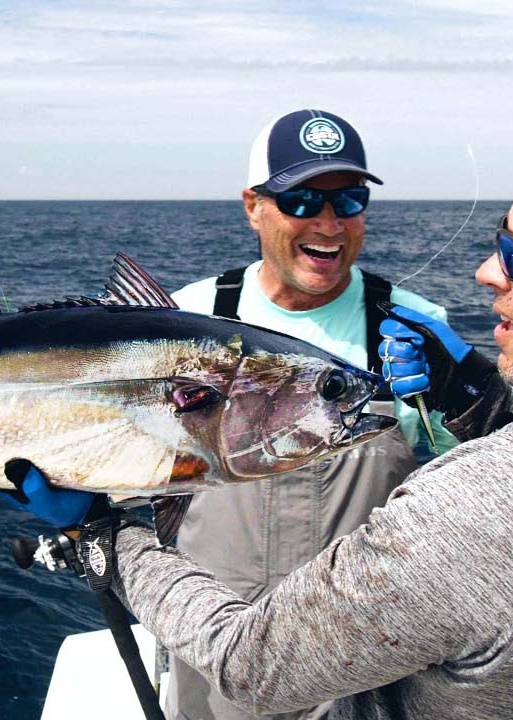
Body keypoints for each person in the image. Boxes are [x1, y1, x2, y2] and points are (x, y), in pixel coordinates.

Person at [13, 111, 513, 719]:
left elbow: (256, 661)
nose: (488, 273)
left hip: (269, 655)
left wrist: (102, 536)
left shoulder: (481, 507)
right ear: (255, 208)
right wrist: (484, 397)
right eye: (302, 199)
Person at [165, 109, 455, 720]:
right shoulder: (188, 316)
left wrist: (462, 402)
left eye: (349, 200)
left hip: (367, 661)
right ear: (253, 205)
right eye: (301, 200)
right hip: (215, 653)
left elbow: (469, 481)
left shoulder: (417, 328)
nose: (330, 223)